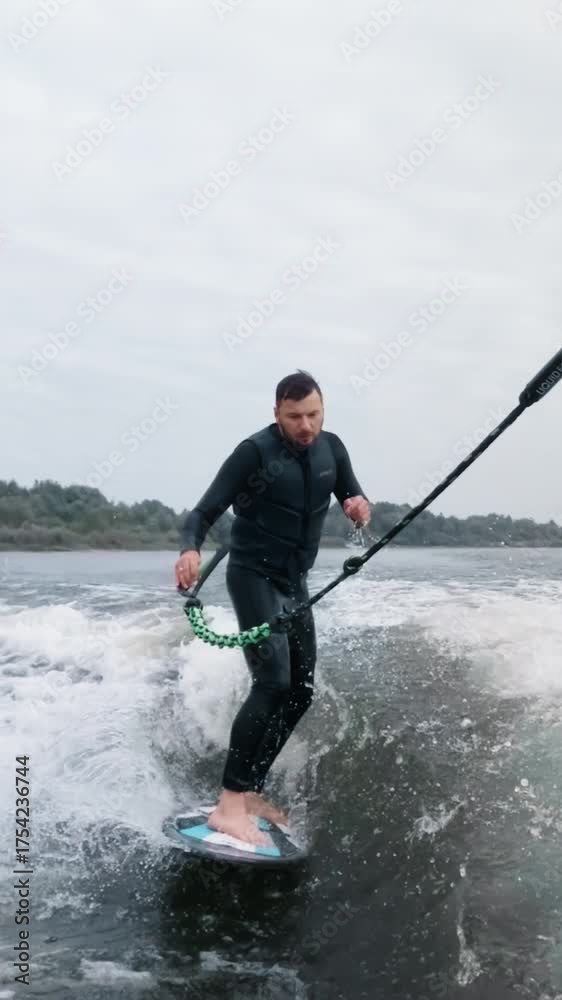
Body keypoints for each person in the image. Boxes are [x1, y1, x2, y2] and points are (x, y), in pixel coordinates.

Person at [174, 370, 371, 847]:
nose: (306, 426)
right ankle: (228, 806)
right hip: (253, 577)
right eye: (294, 416)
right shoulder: (255, 453)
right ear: (277, 413)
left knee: (301, 690)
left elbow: (351, 492)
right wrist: (190, 549)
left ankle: (250, 792)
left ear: (323, 410)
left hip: (294, 583)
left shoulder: (332, 449)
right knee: (273, 682)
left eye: (313, 415)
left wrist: (358, 506)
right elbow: (202, 513)